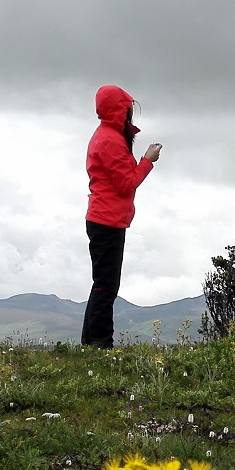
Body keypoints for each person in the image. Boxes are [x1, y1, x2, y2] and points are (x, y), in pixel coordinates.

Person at [81, 85, 161, 347]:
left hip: (105, 217)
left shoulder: (107, 136)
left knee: (102, 283)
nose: (130, 112)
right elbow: (127, 183)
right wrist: (147, 160)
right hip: (107, 220)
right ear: (120, 110)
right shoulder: (111, 140)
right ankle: (100, 343)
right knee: (106, 285)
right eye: (128, 107)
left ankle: (91, 342)